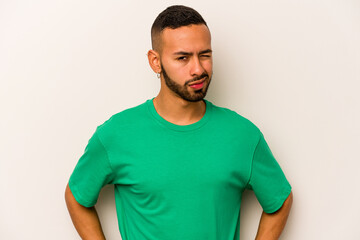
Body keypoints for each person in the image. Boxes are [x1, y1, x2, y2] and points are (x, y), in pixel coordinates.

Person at [65, 5, 293, 240]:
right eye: (182, 57)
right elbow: (77, 196)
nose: (198, 69)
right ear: (155, 61)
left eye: (205, 55)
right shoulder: (116, 134)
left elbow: (279, 199)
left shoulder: (243, 135)